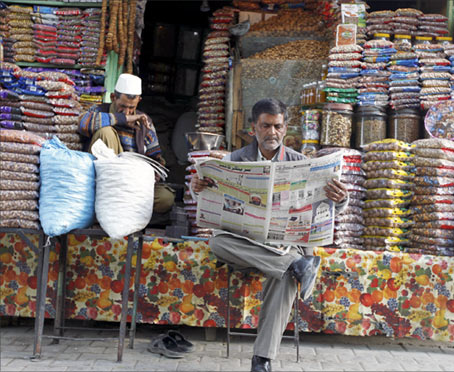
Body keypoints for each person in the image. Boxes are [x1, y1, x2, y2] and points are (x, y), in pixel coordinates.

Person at [191, 98, 349, 372]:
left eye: (277, 126)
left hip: (285, 244)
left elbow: (327, 205)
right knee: (217, 242)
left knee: (286, 274)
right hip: (246, 245)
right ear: (254, 127)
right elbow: (210, 198)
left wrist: (342, 198)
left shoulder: (301, 162)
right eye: (265, 126)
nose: (271, 133)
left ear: (285, 128)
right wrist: (198, 187)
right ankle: (296, 265)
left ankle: (261, 360)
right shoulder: (234, 160)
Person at [78, 73, 175, 215]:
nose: (127, 111)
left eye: (131, 108)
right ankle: (111, 201)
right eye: (122, 106)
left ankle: (124, 206)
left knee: (165, 198)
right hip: (103, 182)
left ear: (139, 101)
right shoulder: (98, 111)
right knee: (106, 132)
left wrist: (153, 173)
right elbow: (83, 123)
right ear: (113, 97)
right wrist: (123, 118)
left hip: (131, 182)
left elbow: (156, 158)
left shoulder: (144, 122)